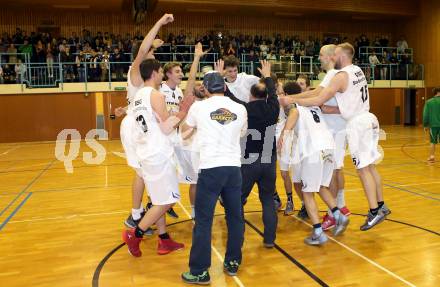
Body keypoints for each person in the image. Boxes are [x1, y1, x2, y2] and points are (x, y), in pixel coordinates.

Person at [286, 43, 390, 231]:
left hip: (353, 125)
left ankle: (373, 210)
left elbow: (318, 98)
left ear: (340, 55)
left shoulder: (339, 75)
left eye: (333, 54)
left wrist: (292, 99)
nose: (331, 57)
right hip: (368, 118)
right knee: (368, 167)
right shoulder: (357, 70)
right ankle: (379, 204)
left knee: (360, 170)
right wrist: (332, 108)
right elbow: (333, 98)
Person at [122, 58, 194, 257]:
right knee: (168, 200)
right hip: (158, 154)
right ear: (154, 73)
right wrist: (184, 110)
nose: (162, 74)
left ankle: (163, 240)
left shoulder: (138, 97)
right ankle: (134, 234)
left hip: (146, 151)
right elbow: (166, 126)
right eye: (161, 71)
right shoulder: (156, 95)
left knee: (157, 199)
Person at [180, 72, 247, 284]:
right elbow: (242, 132)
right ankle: (233, 262)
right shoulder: (240, 108)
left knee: (204, 221)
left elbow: (184, 132)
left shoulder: (198, 107)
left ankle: (199, 270)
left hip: (210, 169)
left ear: (206, 90)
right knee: (235, 217)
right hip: (233, 168)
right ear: (225, 88)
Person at [117, 14, 171, 234]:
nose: (153, 55)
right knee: (143, 172)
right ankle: (138, 216)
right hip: (135, 126)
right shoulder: (138, 67)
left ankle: (140, 214)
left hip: (136, 122)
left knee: (143, 172)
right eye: (151, 52)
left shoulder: (140, 76)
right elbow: (142, 49)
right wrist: (159, 23)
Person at [278, 87, 349, 245]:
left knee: (308, 192)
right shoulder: (314, 107)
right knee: (321, 187)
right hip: (329, 148)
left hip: (314, 151)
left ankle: (317, 231)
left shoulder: (295, 111)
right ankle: (338, 214)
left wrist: (281, 137)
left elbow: (286, 132)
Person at [224, 60, 280, 248]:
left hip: (249, 160)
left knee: (238, 199)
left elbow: (230, 96)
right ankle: (270, 239)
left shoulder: (245, 109)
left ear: (251, 95)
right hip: (269, 159)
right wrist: (267, 75)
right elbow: (273, 93)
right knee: (268, 200)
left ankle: (239, 236)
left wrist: (219, 77)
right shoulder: (274, 108)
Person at [423, 87, 440, 163]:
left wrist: (425, 125)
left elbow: (425, 115)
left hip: (433, 126)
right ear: (438, 92)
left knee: (432, 141)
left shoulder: (428, 102)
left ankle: (432, 157)